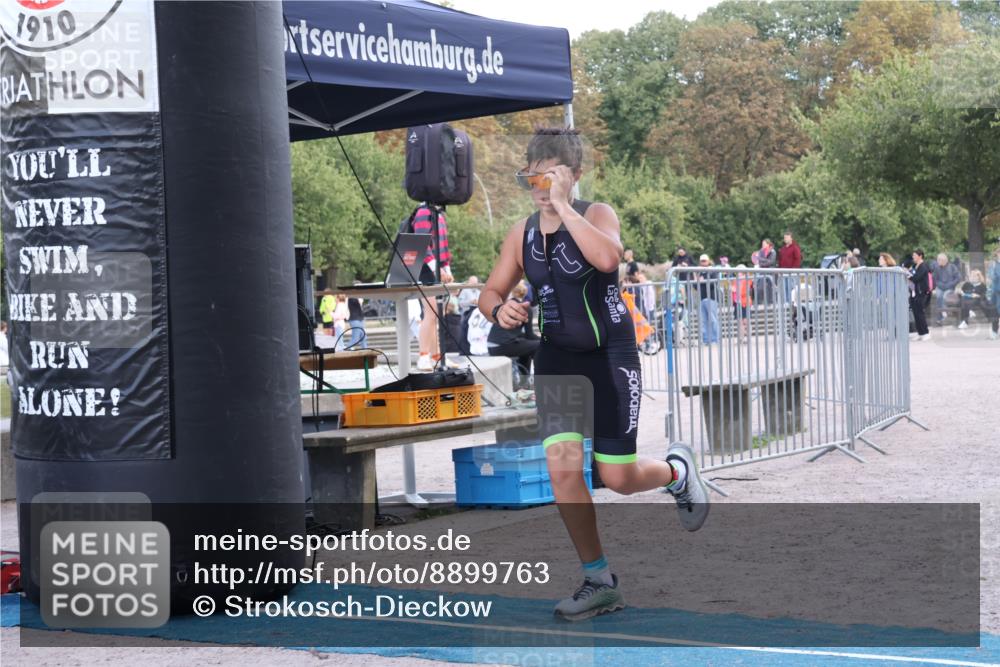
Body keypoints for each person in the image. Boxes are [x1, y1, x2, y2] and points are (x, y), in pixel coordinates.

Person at [478, 128, 709, 621]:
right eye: (531, 178)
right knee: (562, 471)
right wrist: (500, 310)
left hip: (611, 354)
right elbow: (490, 291)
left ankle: (677, 473)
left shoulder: (595, 214)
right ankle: (598, 579)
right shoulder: (519, 234)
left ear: (574, 176)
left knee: (617, 477)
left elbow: (608, 259)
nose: (539, 188)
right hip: (557, 358)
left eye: (550, 177)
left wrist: (563, 207)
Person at [410, 204, 456, 371]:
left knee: (436, 314)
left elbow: (443, 246)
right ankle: (423, 356)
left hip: (435, 268)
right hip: (424, 268)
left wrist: (446, 269)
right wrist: (438, 267)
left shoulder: (439, 215)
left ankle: (437, 356)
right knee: (430, 313)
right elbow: (421, 242)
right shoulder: (424, 212)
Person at [487, 281, 539, 389]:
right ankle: (537, 382)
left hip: (492, 345)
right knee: (538, 346)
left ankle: (524, 384)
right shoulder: (525, 308)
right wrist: (545, 340)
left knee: (526, 348)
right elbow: (530, 335)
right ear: (525, 293)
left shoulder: (505, 306)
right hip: (503, 345)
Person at [957, 270, 999, 338]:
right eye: (971, 276)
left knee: (992, 310)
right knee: (963, 301)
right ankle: (966, 318)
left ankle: (994, 331)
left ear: (979, 277)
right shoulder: (967, 284)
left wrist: (977, 295)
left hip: (978, 301)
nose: (972, 278)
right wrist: (961, 292)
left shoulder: (982, 285)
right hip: (967, 300)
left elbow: (983, 295)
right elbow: (960, 291)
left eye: (974, 276)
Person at [694, 254, 720, 344]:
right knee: (704, 320)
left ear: (708, 261)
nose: (703, 262)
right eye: (702, 261)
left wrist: (703, 280)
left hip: (711, 297)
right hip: (702, 298)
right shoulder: (699, 272)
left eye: (704, 261)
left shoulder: (713, 270)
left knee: (713, 319)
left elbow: (714, 283)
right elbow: (696, 287)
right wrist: (696, 280)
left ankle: (715, 339)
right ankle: (706, 339)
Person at [931, 253, 961, 323]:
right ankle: (940, 316)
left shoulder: (952, 267)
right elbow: (935, 279)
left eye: (939, 260)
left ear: (944, 260)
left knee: (945, 296)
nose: (937, 261)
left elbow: (958, 278)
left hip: (950, 287)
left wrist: (950, 284)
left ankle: (944, 312)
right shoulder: (937, 268)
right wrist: (940, 285)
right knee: (938, 296)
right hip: (940, 287)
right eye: (938, 260)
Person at [908, 250, 932, 341]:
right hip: (915, 293)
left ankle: (925, 332)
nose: (913, 257)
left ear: (920, 256)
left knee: (920, 313)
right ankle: (920, 332)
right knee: (916, 313)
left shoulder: (923, 266)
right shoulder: (915, 266)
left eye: (914, 255)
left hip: (922, 293)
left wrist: (908, 275)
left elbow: (916, 278)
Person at [778, 231, 802, 302]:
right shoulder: (783, 249)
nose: (785, 239)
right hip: (783, 272)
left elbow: (798, 259)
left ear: (791, 238)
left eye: (787, 237)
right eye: (785, 238)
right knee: (785, 289)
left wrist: (793, 270)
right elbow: (780, 260)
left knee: (792, 289)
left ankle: (793, 303)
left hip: (792, 273)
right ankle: (786, 304)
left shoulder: (795, 248)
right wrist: (779, 270)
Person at [731, 265, 752, 339]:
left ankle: (748, 337)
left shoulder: (747, 279)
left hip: (745, 302)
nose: (738, 272)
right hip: (737, 303)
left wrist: (735, 290)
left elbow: (745, 291)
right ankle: (741, 338)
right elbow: (733, 291)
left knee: (746, 321)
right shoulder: (735, 280)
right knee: (739, 321)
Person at [755, 239, 777, 304]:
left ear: (768, 244)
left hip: (770, 272)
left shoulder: (773, 251)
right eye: (762, 244)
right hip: (762, 272)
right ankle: (758, 303)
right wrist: (765, 261)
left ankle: (771, 302)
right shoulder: (761, 251)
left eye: (764, 244)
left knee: (770, 288)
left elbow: (771, 262)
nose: (763, 245)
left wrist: (763, 261)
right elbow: (759, 261)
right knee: (759, 287)